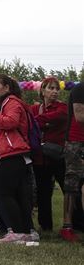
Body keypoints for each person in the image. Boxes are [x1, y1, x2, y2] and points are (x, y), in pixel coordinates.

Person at [0, 74, 36, 244]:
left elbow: (11, 122)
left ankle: (17, 231)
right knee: (18, 194)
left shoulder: (12, 103)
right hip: (8, 155)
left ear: (6, 88)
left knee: (5, 193)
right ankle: (27, 232)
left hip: (13, 154)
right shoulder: (0, 106)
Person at [29, 77, 67, 233]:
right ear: (42, 91)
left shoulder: (63, 107)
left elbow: (57, 116)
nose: (55, 91)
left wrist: (37, 121)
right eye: (51, 88)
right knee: (43, 193)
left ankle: (76, 224)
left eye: (57, 89)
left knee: (69, 190)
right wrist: (41, 123)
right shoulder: (34, 108)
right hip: (40, 158)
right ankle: (45, 226)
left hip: (58, 156)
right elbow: (28, 122)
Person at [59, 81, 84, 242]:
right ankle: (67, 226)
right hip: (76, 142)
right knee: (72, 184)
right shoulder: (80, 89)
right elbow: (80, 116)